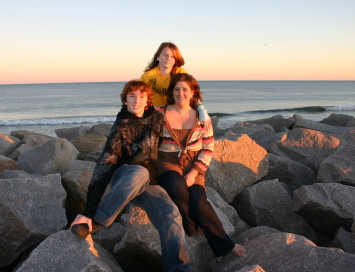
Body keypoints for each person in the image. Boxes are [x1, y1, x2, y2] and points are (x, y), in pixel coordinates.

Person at [70, 80, 190, 271]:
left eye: (142, 96)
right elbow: (104, 166)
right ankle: (98, 220)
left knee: (171, 214)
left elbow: (181, 109)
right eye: (132, 96)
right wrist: (87, 211)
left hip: (149, 183)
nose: (137, 100)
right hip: (125, 176)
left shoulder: (157, 118)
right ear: (125, 100)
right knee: (139, 172)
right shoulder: (120, 127)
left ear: (148, 100)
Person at [156, 73, 247, 258]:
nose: (180, 93)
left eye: (185, 89)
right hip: (167, 162)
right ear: (171, 92)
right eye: (176, 89)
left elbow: (208, 148)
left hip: (193, 165)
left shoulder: (202, 118)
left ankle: (226, 244)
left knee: (198, 201)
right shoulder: (159, 114)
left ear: (192, 93)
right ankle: (190, 225)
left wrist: (194, 172)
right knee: (176, 186)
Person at [139, 42, 211, 128]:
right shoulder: (148, 76)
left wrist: (203, 112)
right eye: (165, 55)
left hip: (174, 113)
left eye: (172, 56)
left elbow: (192, 93)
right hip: (154, 114)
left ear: (176, 59)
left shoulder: (180, 73)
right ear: (158, 57)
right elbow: (139, 96)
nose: (168, 58)